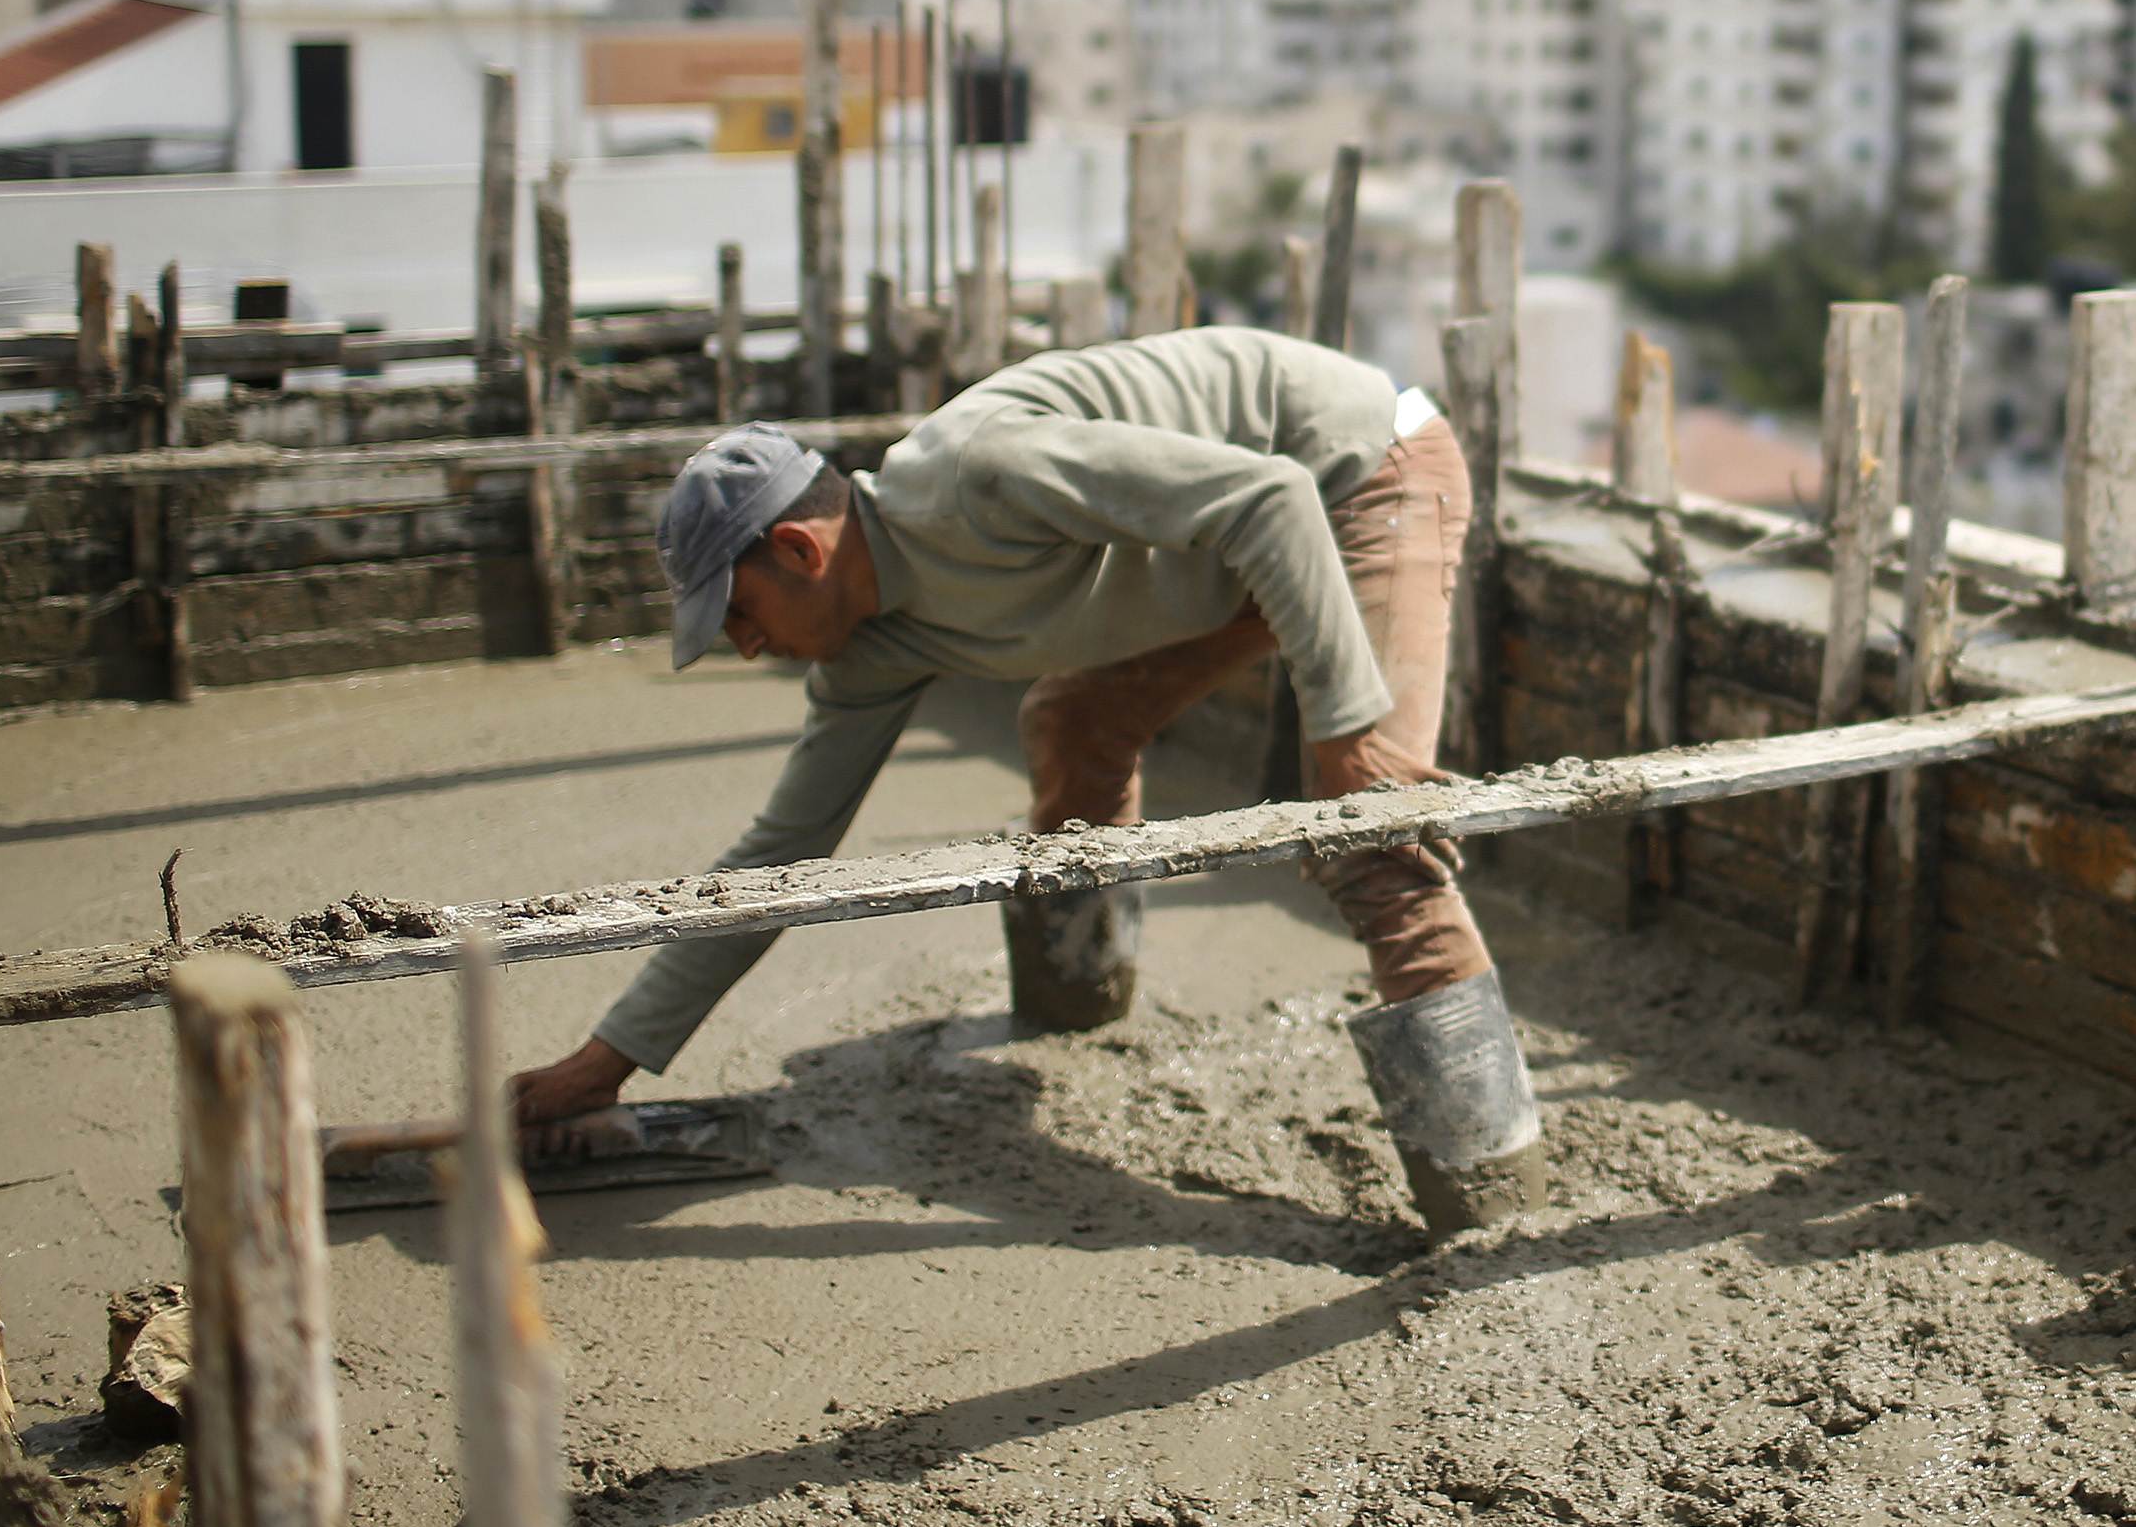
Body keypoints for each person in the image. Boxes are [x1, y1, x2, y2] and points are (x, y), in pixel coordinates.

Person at [506, 325, 1548, 1233]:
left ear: (797, 549)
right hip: (1228, 538)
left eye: (739, 616)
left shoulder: (980, 475)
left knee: (1368, 828)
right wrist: (608, 1063)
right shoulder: (869, 652)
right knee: (1072, 719)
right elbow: (778, 857)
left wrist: (1347, 731)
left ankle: (1488, 1185)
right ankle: (1078, 996)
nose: (743, 649)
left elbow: (1270, 498)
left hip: (1356, 470)